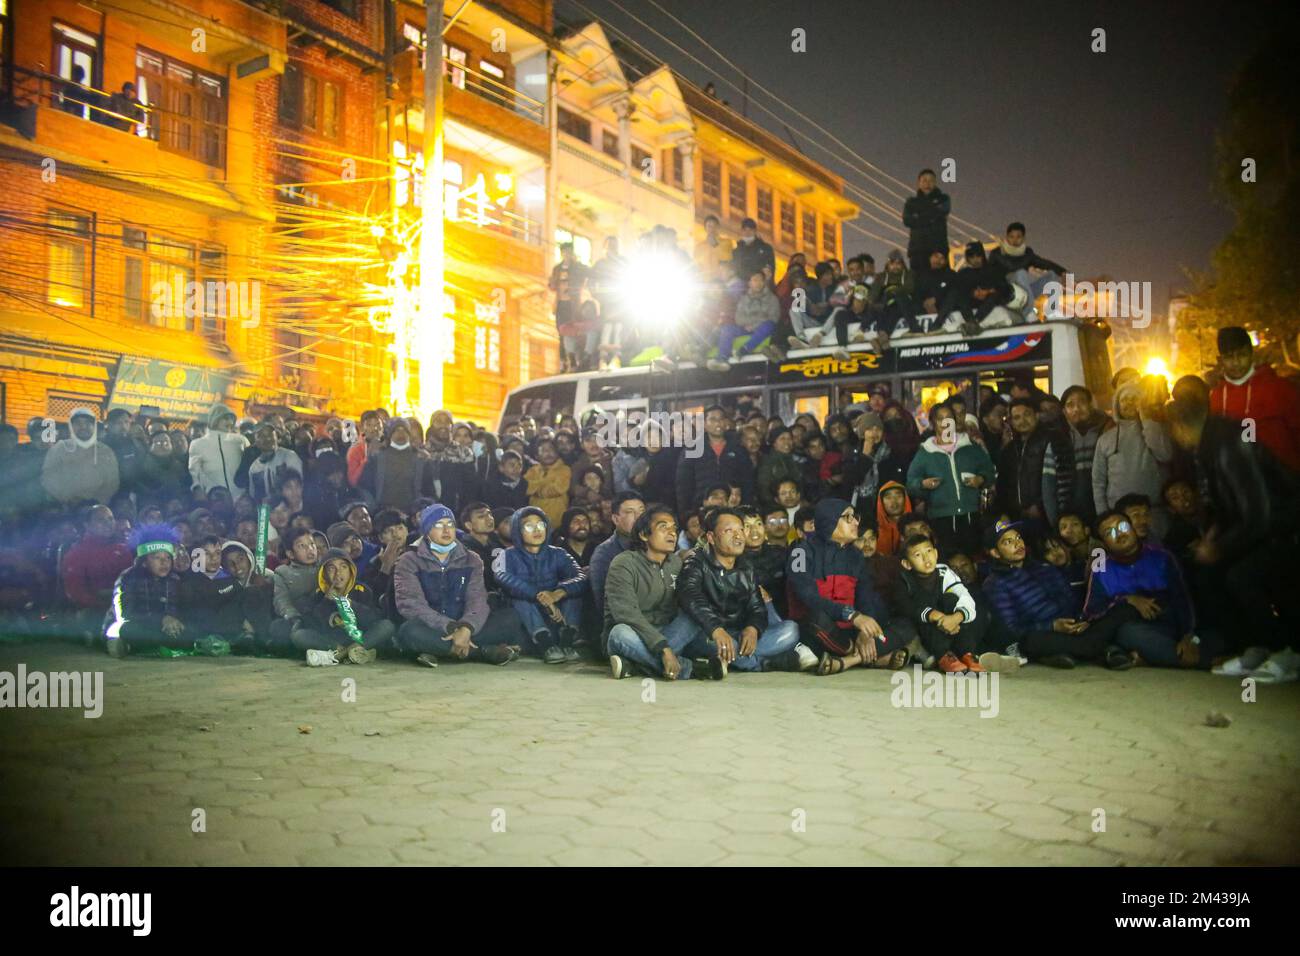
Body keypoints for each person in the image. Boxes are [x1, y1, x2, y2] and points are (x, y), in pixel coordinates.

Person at [1165, 386, 1300, 682]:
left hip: (1283, 526)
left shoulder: (1227, 445)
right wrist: (1213, 535)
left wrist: (1220, 546)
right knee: (1211, 577)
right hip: (1257, 528)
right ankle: (1255, 645)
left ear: (1180, 427)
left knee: (1244, 576)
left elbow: (1257, 512)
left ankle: (1286, 651)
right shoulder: (1208, 445)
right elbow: (1225, 504)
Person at [981, 518, 1133, 669]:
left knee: (1122, 609)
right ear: (995, 553)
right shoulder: (995, 583)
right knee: (1033, 642)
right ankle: (1106, 650)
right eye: (1007, 542)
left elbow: (1071, 598)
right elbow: (1011, 630)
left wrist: (1080, 620)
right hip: (1042, 633)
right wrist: (1052, 626)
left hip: (1072, 625)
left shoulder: (1043, 567)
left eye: (1018, 538)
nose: (1017, 544)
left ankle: (1067, 653)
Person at [671, 508, 805, 673]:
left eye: (740, 529)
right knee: (730, 645)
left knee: (791, 630)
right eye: (729, 531)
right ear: (711, 537)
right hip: (706, 633)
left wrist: (753, 628)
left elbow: (757, 607)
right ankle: (762, 663)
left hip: (737, 633)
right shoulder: (696, 561)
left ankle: (735, 659)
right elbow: (690, 596)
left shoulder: (745, 566)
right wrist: (716, 629)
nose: (738, 535)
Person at [394, 504, 519, 667]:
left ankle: (440, 650)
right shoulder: (409, 560)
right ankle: (482, 652)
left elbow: (477, 600)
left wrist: (467, 628)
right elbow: (412, 605)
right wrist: (451, 628)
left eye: (450, 525)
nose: (446, 530)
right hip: (433, 627)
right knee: (409, 632)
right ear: (426, 530)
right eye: (439, 525)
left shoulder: (471, 559)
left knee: (511, 618)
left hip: (466, 624)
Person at [786, 498, 900, 675]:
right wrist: (852, 615)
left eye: (855, 517)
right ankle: (862, 654)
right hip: (816, 631)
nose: (855, 522)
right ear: (829, 520)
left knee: (902, 622)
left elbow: (865, 597)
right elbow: (808, 596)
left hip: (849, 630)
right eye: (848, 517)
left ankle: (849, 659)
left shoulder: (856, 555)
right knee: (816, 617)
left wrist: (865, 632)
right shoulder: (800, 552)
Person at [1082, 511, 1201, 669]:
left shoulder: (1162, 556)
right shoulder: (1101, 568)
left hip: (1169, 624)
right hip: (1134, 630)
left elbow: (1183, 598)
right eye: (1109, 532)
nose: (1119, 534)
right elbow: (1090, 612)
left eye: (1123, 526)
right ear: (1104, 543)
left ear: (1132, 528)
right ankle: (1202, 662)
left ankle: (1149, 657)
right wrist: (1126, 599)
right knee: (1126, 632)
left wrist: (1189, 636)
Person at [605, 505, 708, 680]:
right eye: (663, 527)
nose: (672, 533)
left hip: (668, 633)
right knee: (619, 633)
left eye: (674, 528)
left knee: (695, 615)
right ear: (644, 535)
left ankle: (636, 664)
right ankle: (691, 669)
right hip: (636, 633)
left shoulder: (676, 563)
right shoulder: (624, 563)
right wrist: (664, 649)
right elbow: (627, 615)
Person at [492, 506, 588, 664]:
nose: (537, 530)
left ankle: (566, 643)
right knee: (519, 599)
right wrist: (540, 596)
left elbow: (581, 576)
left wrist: (557, 593)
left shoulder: (558, 553)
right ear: (517, 531)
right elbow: (502, 576)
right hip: (528, 624)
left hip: (556, 617)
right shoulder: (507, 555)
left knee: (572, 594)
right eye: (529, 526)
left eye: (541, 525)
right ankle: (546, 645)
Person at [906, 402, 996, 556]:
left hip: (971, 515)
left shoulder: (971, 447)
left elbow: (989, 471)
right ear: (933, 424)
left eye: (949, 418)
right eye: (940, 419)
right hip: (940, 519)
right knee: (946, 559)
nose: (945, 422)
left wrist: (980, 479)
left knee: (972, 557)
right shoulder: (925, 452)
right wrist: (923, 484)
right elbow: (911, 483)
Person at [1208, 326, 1300, 473]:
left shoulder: (1279, 388)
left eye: (1242, 355)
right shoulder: (1216, 397)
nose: (1236, 362)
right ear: (1221, 360)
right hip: (1241, 486)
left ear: (1252, 354)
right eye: (1229, 357)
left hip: (1284, 482)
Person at [1092, 377, 1173, 539]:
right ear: (1117, 405)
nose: (1129, 403)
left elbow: (1165, 454)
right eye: (1124, 400)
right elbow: (1098, 481)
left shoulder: (1155, 429)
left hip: (1153, 513)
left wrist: (1146, 420)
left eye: (1134, 399)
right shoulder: (1106, 439)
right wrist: (1104, 515)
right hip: (1119, 516)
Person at [898, 534, 991, 673]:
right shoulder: (904, 579)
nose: (926, 558)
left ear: (936, 553)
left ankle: (967, 653)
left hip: (950, 625)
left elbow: (965, 597)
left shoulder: (945, 572)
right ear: (907, 564)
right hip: (925, 630)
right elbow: (907, 608)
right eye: (918, 555)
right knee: (922, 615)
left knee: (952, 599)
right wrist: (935, 616)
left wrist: (956, 618)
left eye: (929, 551)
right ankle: (943, 656)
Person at [295, 548, 394, 665]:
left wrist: (349, 604)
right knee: (298, 635)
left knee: (387, 626)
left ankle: (343, 654)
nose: (338, 573)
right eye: (332, 568)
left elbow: (373, 619)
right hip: (334, 642)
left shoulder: (362, 590)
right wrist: (326, 602)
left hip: (359, 639)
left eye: (343, 567)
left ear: (351, 570)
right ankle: (354, 653)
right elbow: (313, 626)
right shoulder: (318, 594)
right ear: (324, 573)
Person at [103, 525, 187, 657]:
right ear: (144, 562)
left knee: (189, 630)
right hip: (135, 624)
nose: (164, 562)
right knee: (129, 630)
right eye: (157, 558)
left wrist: (173, 620)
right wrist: (161, 619)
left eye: (168, 558)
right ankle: (128, 644)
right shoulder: (128, 577)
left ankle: (150, 647)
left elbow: (177, 606)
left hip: (163, 627)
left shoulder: (174, 579)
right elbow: (125, 614)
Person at [62, 505, 133, 639]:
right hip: (94, 609)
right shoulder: (76, 554)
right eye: (101, 520)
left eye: (110, 519)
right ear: (87, 525)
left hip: (123, 606)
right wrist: (105, 604)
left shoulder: (123, 550)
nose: (108, 524)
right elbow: (75, 592)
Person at [996, 398, 1064, 529]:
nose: (1022, 421)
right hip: (1016, 518)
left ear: (1037, 415)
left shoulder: (1052, 439)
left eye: (1027, 414)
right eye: (1017, 417)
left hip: (1047, 516)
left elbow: (1062, 479)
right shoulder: (1009, 449)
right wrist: (1005, 512)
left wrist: (1040, 506)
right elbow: (1003, 484)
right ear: (1011, 422)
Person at [674, 405, 754, 516]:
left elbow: (748, 482)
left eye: (721, 419)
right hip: (701, 511)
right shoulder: (692, 449)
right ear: (705, 424)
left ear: (726, 422)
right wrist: (687, 514)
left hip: (733, 510)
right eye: (713, 419)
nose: (718, 423)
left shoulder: (738, 449)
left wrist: (746, 508)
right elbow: (683, 487)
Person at [588, 491, 646, 632]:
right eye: (630, 512)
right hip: (624, 627)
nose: (639, 518)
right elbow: (603, 604)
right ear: (615, 519)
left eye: (642, 511)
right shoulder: (604, 553)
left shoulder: (654, 545)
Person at [987, 222, 1068, 318]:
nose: (1014, 240)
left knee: (1051, 276)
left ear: (1023, 238)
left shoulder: (1027, 253)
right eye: (1011, 236)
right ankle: (1028, 312)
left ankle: (1053, 313)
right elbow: (990, 273)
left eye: (1018, 237)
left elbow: (1044, 263)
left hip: (1024, 293)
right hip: (1006, 293)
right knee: (1020, 273)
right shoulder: (997, 253)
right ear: (1006, 237)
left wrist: (1063, 272)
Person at [41, 408, 119, 507]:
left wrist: (95, 502)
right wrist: (68, 498)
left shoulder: (105, 451)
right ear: (71, 426)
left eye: (87, 423)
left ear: (94, 426)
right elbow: (48, 478)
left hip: (96, 509)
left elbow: (112, 482)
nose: (83, 427)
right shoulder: (59, 448)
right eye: (78, 423)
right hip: (64, 507)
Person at [268, 525, 323, 656]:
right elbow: (282, 600)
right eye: (302, 546)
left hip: (322, 617)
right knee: (278, 627)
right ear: (290, 554)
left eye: (311, 544)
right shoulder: (283, 572)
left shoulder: (325, 568)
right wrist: (294, 617)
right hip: (298, 618)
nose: (310, 549)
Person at [1061, 385, 1112, 524]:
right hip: (1074, 510)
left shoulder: (1107, 430)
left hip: (1106, 504)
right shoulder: (1060, 437)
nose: (1077, 409)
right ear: (1064, 412)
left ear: (1091, 405)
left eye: (1082, 402)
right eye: (1070, 405)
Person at [708, 270, 779, 370]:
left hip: (761, 329)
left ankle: (743, 350)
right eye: (754, 280)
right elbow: (738, 319)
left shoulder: (772, 299)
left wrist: (754, 325)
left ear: (764, 282)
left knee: (769, 325)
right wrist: (757, 319)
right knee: (727, 328)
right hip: (745, 328)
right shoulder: (743, 299)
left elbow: (773, 318)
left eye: (760, 280)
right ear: (749, 283)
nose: (758, 283)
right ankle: (722, 359)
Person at [940, 242, 1016, 334]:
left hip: (990, 301)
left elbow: (1005, 288)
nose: (975, 260)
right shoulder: (964, 273)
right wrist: (973, 293)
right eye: (972, 257)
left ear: (983, 256)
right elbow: (959, 289)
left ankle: (974, 321)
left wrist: (988, 291)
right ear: (968, 258)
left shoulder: (993, 270)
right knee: (958, 295)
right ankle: (971, 321)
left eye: (978, 256)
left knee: (994, 296)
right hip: (971, 304)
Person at [188, 404, 248, 498]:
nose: (230, 422)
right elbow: (195, 472)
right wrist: (199, 489)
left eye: (231, 419)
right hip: (215, 499)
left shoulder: (241, 440)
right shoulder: (198, 444)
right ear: (214, 419)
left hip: (241, 498)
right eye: (226, 418)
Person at [549, 242, 591, 372]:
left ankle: (576, 359)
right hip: (561, 304)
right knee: (561, 333)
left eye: (569, 252)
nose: (567, 254)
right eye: (565, 252)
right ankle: (563, 361)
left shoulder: (577, 267)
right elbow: (551, 286)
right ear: (561, 253)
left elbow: (588, 274)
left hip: (573, 305)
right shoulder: (557, 269)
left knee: (574, 331)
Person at [902, 168, 951, 275]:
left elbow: (942, 211)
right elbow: (907, 220)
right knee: (918, 285)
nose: (927, 184)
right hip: (917, 251)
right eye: (924, 180)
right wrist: (932, 213)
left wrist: (918, 215)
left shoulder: (944, 198)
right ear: (918, 183)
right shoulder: (911, 201)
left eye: (931, 180)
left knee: (941, 283)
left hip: (939, 250)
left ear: (935, 183)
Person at [245, 424, 303, 505]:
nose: (268, 439)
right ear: (255, 442)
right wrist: (263, 517)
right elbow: (255, 497)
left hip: (288, 509)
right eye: (261, 436)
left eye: (271, 435)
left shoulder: (289, 456)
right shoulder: (254, 468)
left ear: (277, 438)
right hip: (265, 511)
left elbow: (300, 486)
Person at [756, 427, 803, 512]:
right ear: (774, 443)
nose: (787, 442)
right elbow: (764, 489)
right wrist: (775, 507)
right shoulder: (768, 462)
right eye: (782, 439)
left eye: (789, 438)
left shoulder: (791, 460)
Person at [729, 217, 775, 290]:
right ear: (741, 231)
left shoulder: (766, 249)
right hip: (742, 291)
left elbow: (769, 270)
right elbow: (734, 270)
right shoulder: (736, 252)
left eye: (750, 230)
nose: (748, 233)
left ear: (755, 231)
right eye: (745, 230)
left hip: (760, 289)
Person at [874, 480, 913, 556]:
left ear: (905, 499)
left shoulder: (917, 528)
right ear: (881, 502)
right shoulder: (874, 532)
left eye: (898, 496)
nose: (894, 501)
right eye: (888, 497)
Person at [693, 214, 735, 284]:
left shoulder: (726, 242)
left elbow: (727, 258)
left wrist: (715, 244)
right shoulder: (699, 246)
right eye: (709, 226)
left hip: (720, 281)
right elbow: (696, 264)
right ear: (705, 228)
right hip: (704, 282)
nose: (711, 229)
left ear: (718, 227)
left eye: (714, 226)